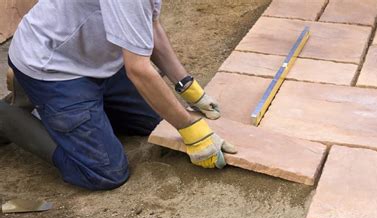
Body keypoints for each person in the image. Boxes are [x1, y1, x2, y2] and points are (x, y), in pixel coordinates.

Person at [0, 0, 236, 191]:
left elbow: (149, 25)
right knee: (104, 172)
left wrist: (188, 86)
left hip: (94, 59)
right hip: (53, 68)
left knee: (156, 120)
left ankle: (66, 106)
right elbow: (138, 70)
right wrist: (190, 129)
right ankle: (9, 112)